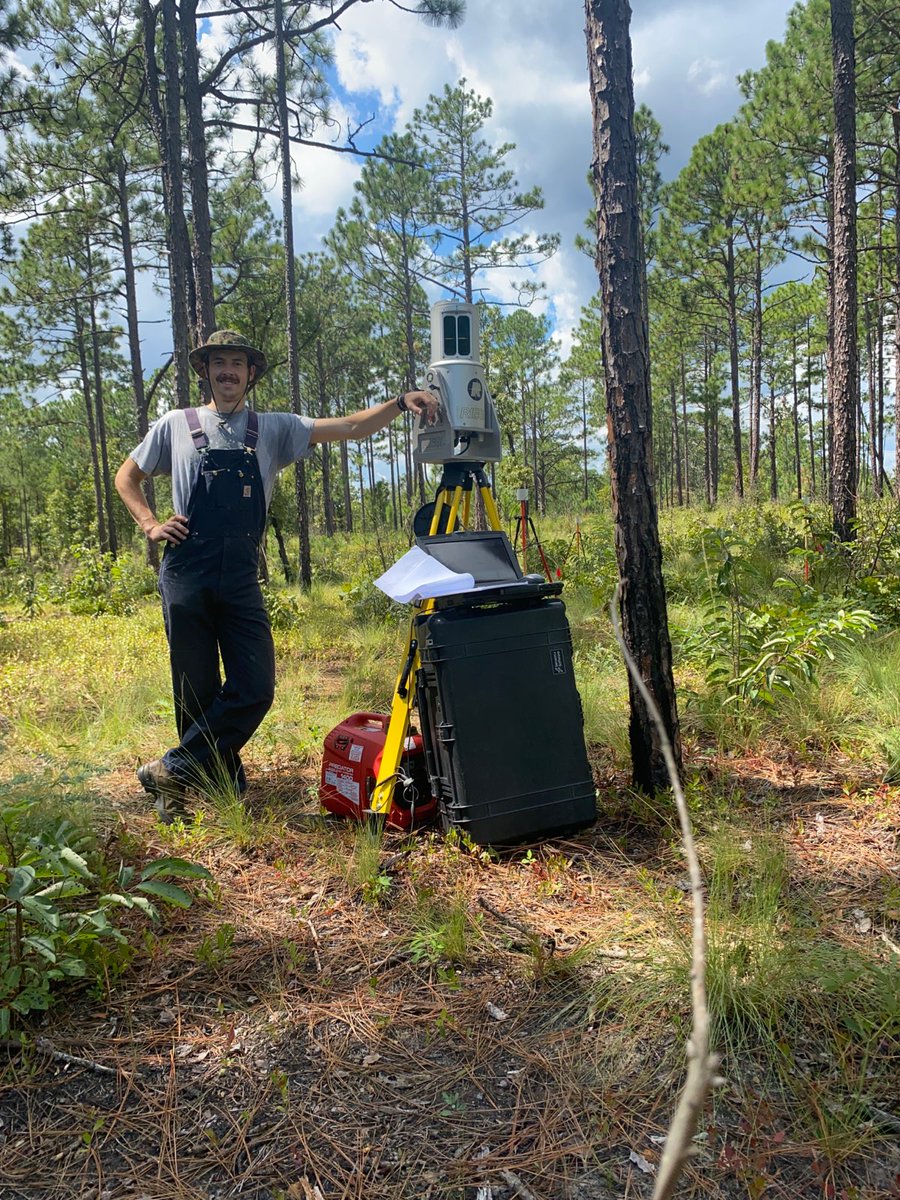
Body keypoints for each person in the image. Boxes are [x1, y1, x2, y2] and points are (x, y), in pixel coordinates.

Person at [115, 329, 439, 822]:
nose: (227, 371)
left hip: (242, 571)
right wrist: (150, 524)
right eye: (218, 362)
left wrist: (399, 402)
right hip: (186, 568)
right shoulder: (174, 425)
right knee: (195, 684)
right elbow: (127, 476)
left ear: (250, 374)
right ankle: (195, 785)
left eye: (237, 364)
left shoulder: (272, 429)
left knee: (255, 685)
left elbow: (350, 427)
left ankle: (172, 767)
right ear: (206, 371)